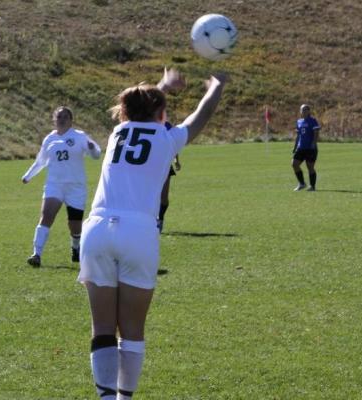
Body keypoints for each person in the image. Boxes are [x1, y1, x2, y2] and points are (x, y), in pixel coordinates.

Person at [77, 68, 226, 400]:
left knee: (102, 328)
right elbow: (201, 116)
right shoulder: (167, 138)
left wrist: (161, 88)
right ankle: (124, 398)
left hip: (98, 230)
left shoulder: (118, 132)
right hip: (138, 233)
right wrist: (216, 87)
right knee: (131, 330)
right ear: (162, 113)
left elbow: (139, 110)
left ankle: (105, 398)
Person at [22, 106, 101, 267]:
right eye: (59, 117)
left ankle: (75, 247)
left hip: (76, 187)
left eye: (65, 117)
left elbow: (96, 154)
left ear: (71, 120)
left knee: (75, 225)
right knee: (46, 216)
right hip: (54, 185)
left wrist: (93, 149)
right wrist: (28, 176)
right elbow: (41, 161)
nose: (62, 119)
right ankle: (36, 254)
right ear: (54, 120)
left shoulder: (79, 136)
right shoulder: (49, 139)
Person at [292, 103, 321, 191]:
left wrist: (313, 143)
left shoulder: (313, 121)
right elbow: (298, 135)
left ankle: (312, 186)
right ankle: (302, 184)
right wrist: (295, 146)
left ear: (309, 111)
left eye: (305, 109)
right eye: (302, 109)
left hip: (310, 148)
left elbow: (316, 133)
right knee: (294, 164)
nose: (303, 111)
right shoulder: (299, 121)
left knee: (310, 167)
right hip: (301, 148)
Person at [157, 152, 180, 233]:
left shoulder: (166, 138)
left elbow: (174, 145)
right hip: (149, 166)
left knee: (164, 198)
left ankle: (160, 219)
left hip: (165, 166)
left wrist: (176, 160)